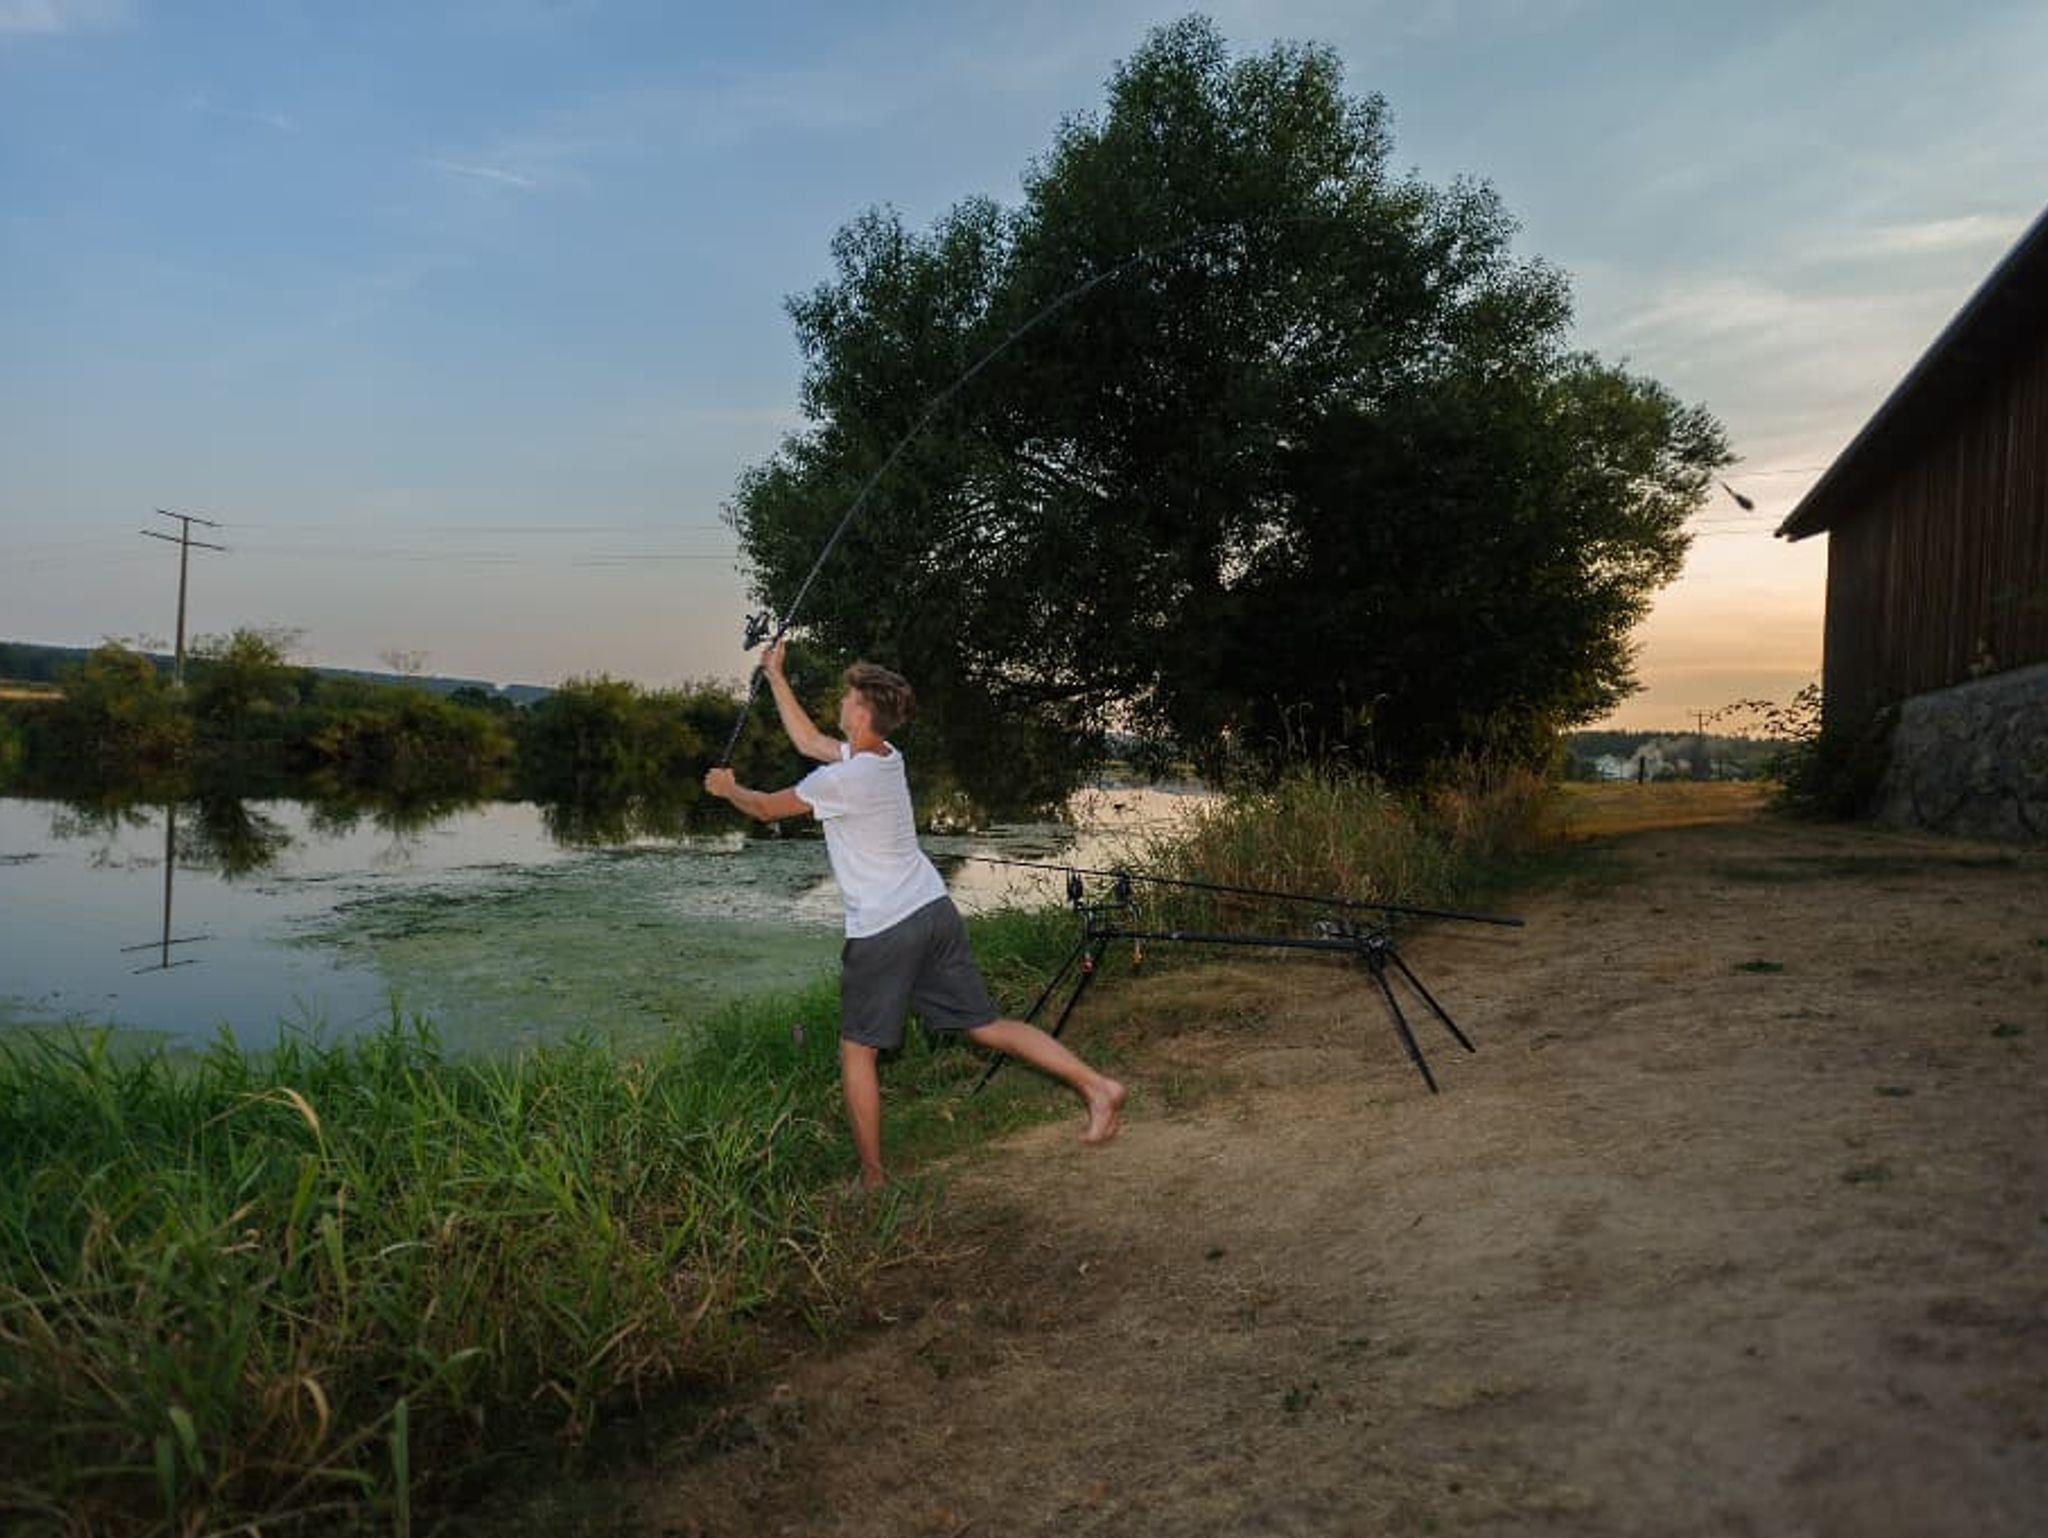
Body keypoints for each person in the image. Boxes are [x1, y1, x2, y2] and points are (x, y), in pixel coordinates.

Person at [703, 641, 1125, 1188]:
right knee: (985, 1026)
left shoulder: (841, 780)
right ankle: (1097, 1087)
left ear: (860, 713)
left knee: (857, 1050)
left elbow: (764, 809)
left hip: (885, 928)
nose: (840, 704)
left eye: (847, 698)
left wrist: (728, 789)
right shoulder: (884, 758)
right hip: (932, 910)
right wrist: (776, 675)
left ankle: (872, 1181)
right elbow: (808, 741)